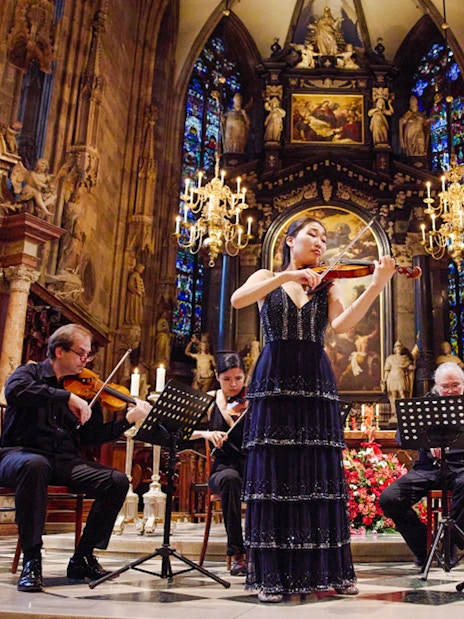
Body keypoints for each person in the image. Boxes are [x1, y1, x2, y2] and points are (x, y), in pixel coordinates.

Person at [231, 216, 396, 602]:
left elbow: (343, 326)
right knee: (273, 473)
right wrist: (285, 279)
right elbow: (239, 299)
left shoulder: (328, 285)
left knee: (317, 471)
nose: (321, 243)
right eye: (312, 235)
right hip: (273, 377)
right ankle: (271, 576)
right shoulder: (265, 275)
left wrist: (376, 285)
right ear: (290, 240)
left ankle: (329, 570)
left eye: (325, 237)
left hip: (315, 379)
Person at [0, 323, 152, 592]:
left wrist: (127, 421)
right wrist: (65, 396)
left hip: (63, 461)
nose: (86, 360)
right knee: (35, 465)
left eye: (89, 355)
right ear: (59, 351)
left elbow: (92, 437)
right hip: (19, 455)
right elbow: (13, 392)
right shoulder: (30, 373)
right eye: (81, 353)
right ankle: (32, 560)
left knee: (116, 480)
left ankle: (83, 556)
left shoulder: (86, 390)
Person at [379, 362, 464, 569]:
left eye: (456, 385)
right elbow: (402, 437)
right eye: (446, 386)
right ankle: (423, 549)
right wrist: (427, 443)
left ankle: (450, 545)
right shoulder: (426, 403)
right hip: (429, 469)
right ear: (436, 385)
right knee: (390, 498)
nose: (451, 390)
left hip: (460, 468)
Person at [190, 352, 247, 576]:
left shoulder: (251, 400)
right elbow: (184, 432)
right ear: (217, 377)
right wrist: (207, 433)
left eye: (239, 378)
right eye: (227, 379)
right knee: (230, 480)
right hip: (223, 469)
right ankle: (238, 554)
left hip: (251, 466)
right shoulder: (210, 400)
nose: (233, 385)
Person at [384, 341, 415, 415]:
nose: (399, 349)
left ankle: (403, 409)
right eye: (397, 348)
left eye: (400, 348)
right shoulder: (390, 358)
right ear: (395, 349)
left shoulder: (405, 358)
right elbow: (387, 370)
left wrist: (413, 366)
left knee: (402, 394)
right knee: (394, 395)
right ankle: (395, 411)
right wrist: (385, 379)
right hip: (392, 377)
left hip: (401, 377)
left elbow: (409, 367)